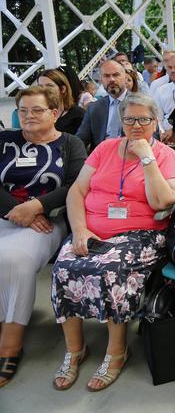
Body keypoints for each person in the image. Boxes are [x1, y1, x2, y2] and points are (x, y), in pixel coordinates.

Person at [51, 93, 175, 391]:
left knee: (109, 269)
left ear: (156, 121)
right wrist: (80, 230)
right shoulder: (104, 149)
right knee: (64, 265)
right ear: (120, 121)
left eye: (144, 119)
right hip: (92, 230)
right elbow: (76, 193)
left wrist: (146, 158)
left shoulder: (166, 155)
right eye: (129, 119)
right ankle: (74, 350)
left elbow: (164, 201)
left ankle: (116, 352)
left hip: (142, 234)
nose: (136, 125)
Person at [0, 87, 86, 388]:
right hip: (7, 216)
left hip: (49, 221)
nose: (28, 116)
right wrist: (17, 210)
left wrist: (37, 206)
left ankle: (9, 345)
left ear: (55, 113)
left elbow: (76, 185)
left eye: (37, 110)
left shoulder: (70, 144)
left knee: (14, 259)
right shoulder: (4, 141)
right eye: (23, 110)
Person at [76, 60, 128, 151]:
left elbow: (152, 136)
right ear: (101, 80)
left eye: (116, 75)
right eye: (106, 76)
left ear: (125, 78)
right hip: (101, 159)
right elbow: (81, 139)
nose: (111, 79)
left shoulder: (141, 104)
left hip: (131, 157)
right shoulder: (94, 108)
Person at [37, 69, 86, 135]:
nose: (44, 90)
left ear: (62, 89)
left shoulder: (79, 114)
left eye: (49, 86)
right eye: (40, 86)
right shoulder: (36, 113)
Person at [154, 54, 175, 140]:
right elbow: (157, 118)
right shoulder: (160, 91)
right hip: (165, 140)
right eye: (169, 67)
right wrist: (163, 134)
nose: (172, 70)